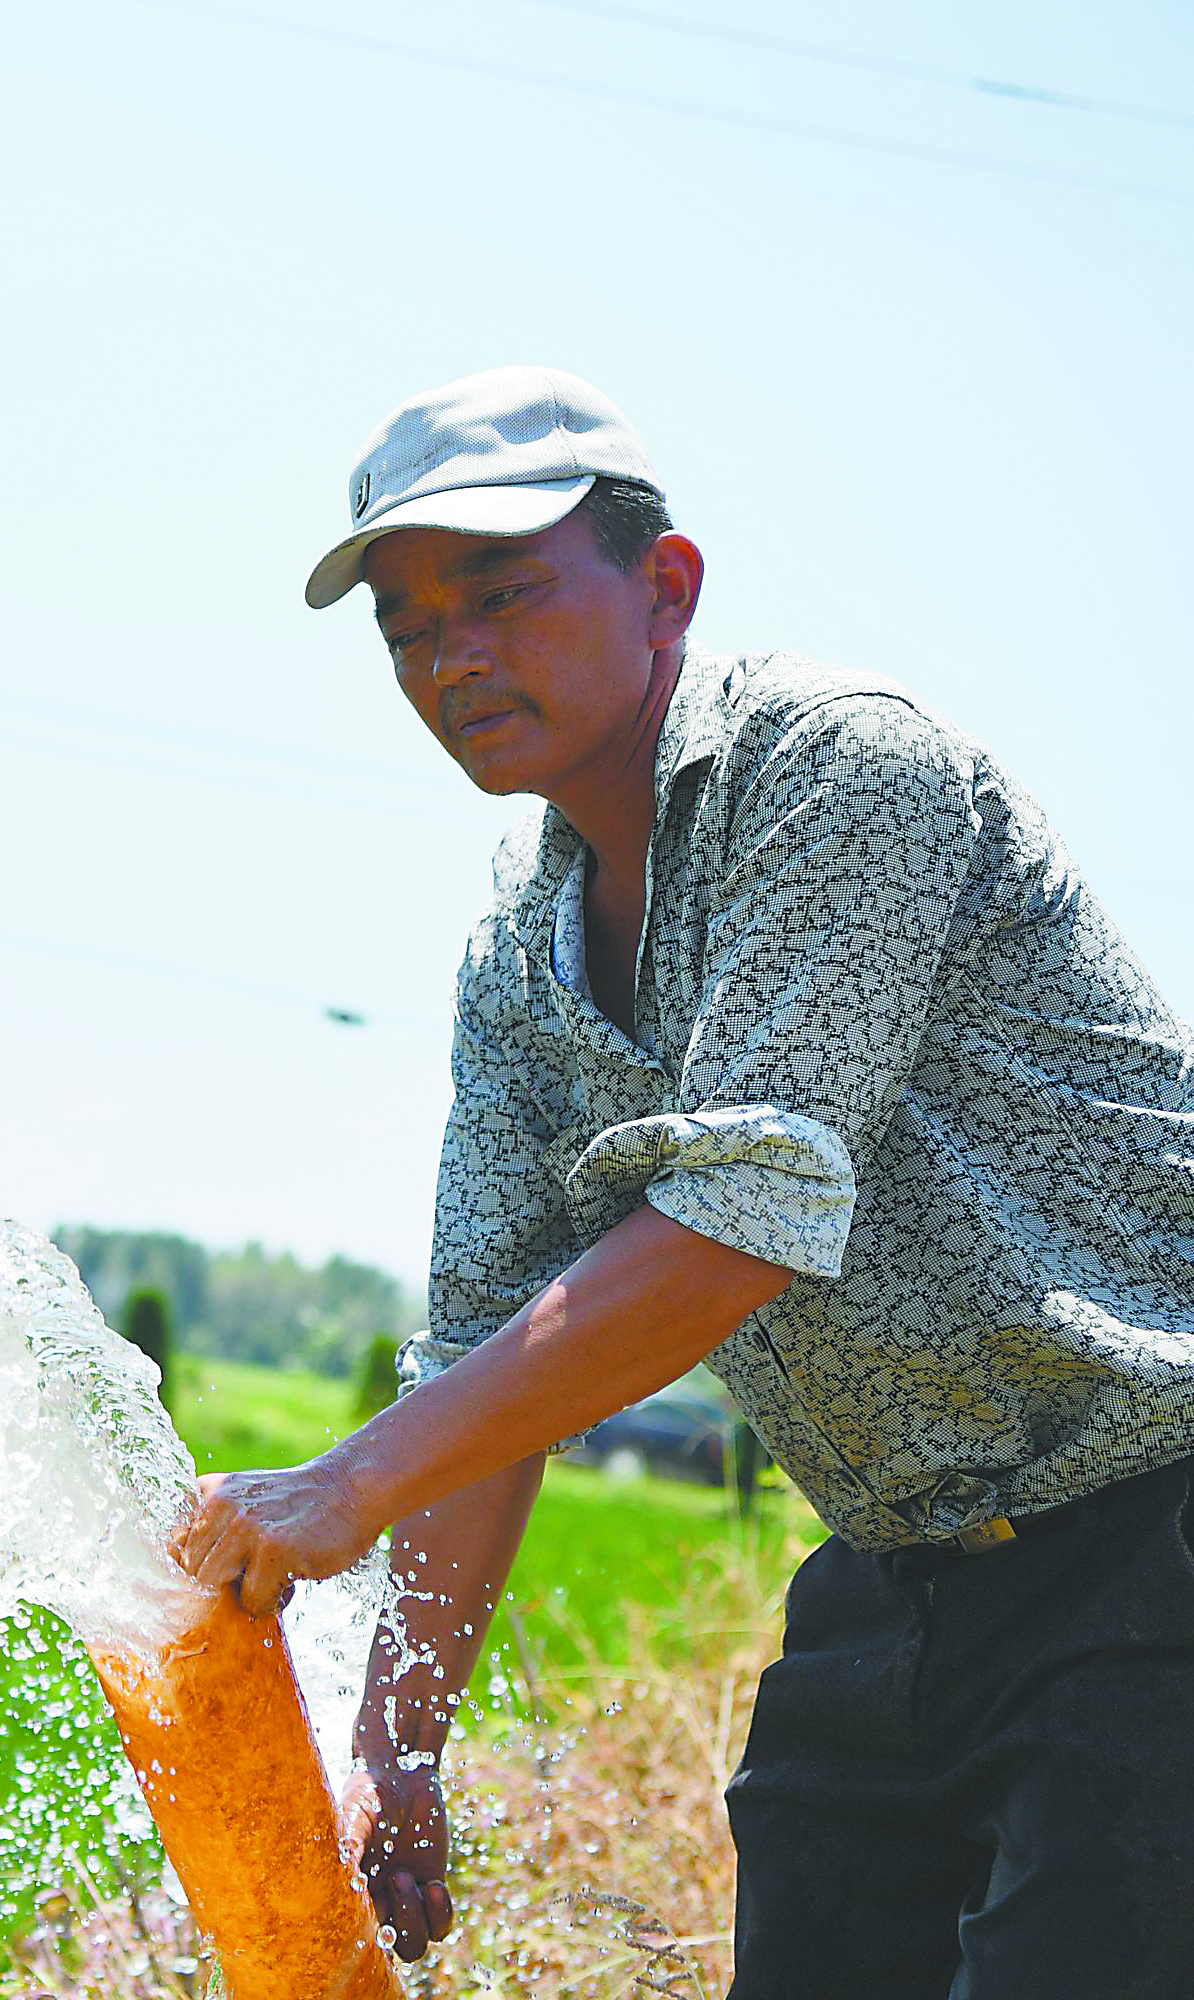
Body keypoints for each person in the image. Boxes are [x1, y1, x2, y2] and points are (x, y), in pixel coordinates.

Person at [171, 364, 1194, 1996]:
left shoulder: (847, 770)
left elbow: (742, 1224)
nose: (455, 658)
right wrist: (399, 1741)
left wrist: (343, 1484)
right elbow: (489, 1342)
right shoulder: (524, 944)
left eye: (500, 593)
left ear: (668, 589)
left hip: (1155, 1542)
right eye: (411, 631)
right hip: (898, 1581)